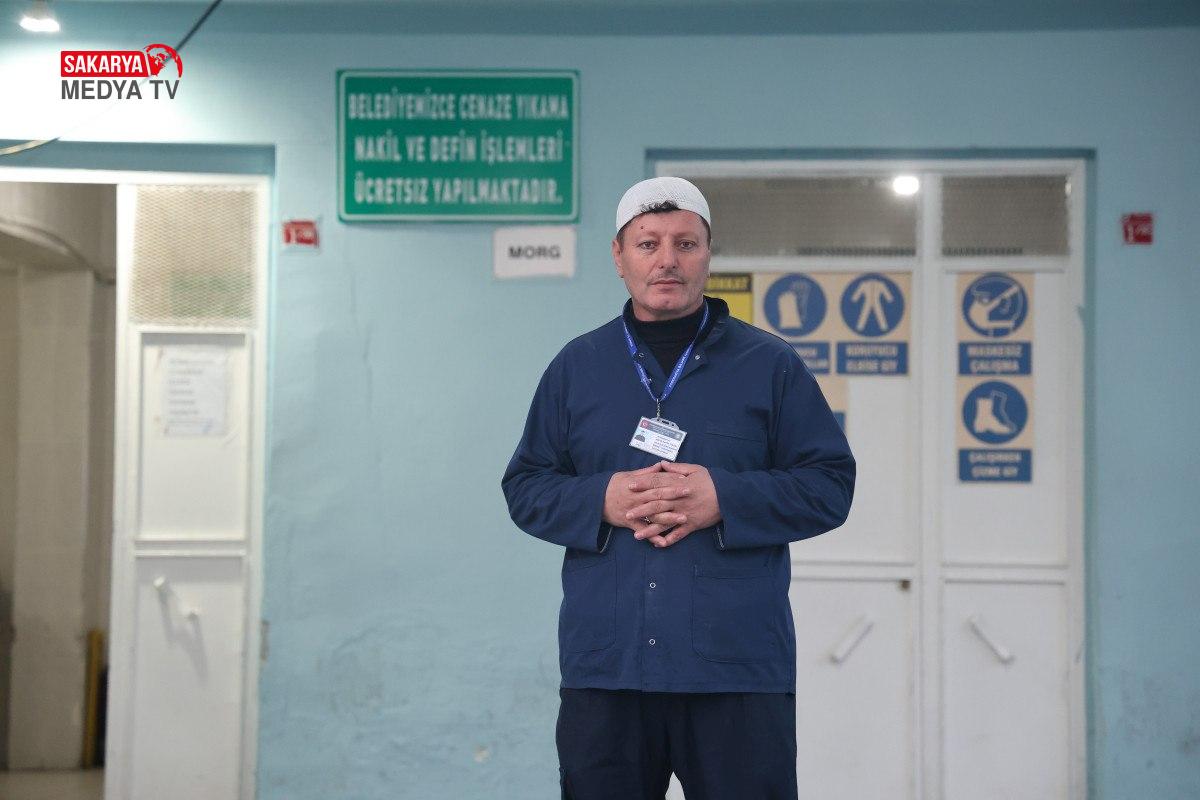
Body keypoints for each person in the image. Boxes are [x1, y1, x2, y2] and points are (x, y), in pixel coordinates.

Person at [501, 176, 855, 800]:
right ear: (619, 257)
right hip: (608, 671)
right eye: (648, 244)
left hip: (735, 671)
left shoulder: (770, 366)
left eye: (685, 243)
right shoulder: (576, 368)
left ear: (708, 254)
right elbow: (526, 486)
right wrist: (601, 500)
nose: (667, 260)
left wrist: (726, 499)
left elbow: (829, 484)